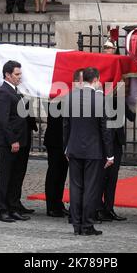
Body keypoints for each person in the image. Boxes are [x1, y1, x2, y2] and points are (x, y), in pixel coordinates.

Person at [63, 67, 113, 236]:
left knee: (76, 187)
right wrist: (110, 154)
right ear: (96, 80)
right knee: (91, 188)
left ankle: (76, 225)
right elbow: (105, 129)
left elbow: (66, 126)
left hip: (74, 149)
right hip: (94, 150)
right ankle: (87, 225)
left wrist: (66, 147)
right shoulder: (101, 99)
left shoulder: (69, 97)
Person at [0, 60, 38, 222]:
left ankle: (13, 207)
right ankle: (3, 209)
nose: (20, 77)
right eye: (17, 74)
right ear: (7, 74)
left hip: (21, 141)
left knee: (17, 176)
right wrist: (12, 140)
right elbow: (4, 120)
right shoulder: (3, 93)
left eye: (20, 74)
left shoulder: (15, 91)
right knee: (7, 176)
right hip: (8, 142)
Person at [43, 68, 84, 218]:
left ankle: (58, 203)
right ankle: (51, 205)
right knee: (54, 172)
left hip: (66, 141)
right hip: (55, 140)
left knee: (62, 173)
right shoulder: (60, 96)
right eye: (80, 80)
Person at [96, 78, 136, 222]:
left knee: (112, 178)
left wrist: (132, 100)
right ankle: (98, 208)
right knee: (100, 177)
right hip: (103, 143)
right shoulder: (103, 99)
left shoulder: (121, 101)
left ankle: (109, 208)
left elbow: (132, 117)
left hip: (116, 142)